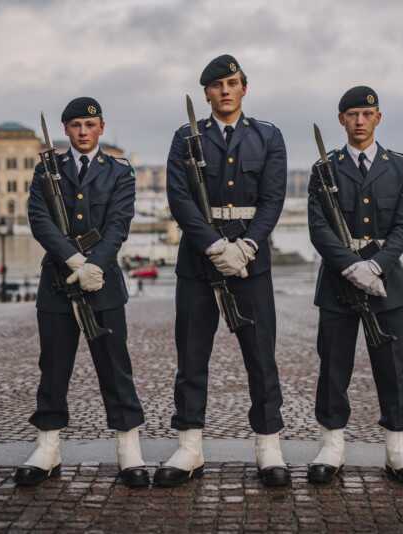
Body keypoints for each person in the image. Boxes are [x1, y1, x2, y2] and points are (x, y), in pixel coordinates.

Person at [154, 55, 289, 487]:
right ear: (206, 93)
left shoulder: (268, 137)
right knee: (192, 357)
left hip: (251, 262)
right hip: (198, 260)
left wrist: (247, 245)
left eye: (232, 83)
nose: (225, 91)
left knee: (261, 357)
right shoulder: (185, 138)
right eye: (216, 85)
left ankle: (269, 448)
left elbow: (273, 199)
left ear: (244, 88)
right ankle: (189, 446)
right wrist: (214, 246)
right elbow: (180, 199)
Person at [14, 97, 149, 488]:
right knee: (53, 368)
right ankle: (47, 447)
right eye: (75, 126)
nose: (83, 132)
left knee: (115, 368)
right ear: (66, 130)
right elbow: (39, 220)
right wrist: (74, 261)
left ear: (101, 128)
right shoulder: (47, 169)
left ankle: (128, 449)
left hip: (103, 284)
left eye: (90, 126)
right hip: (57, 282)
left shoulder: (119, 172)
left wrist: (94, 266)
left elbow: (119, 224)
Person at [306, 86, 403, 486]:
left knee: (391, 368)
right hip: (339, 283)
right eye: (352, 114)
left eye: (366, 114)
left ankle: (398, 449)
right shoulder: (324, 168)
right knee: (334, 367)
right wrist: (351, 267)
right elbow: (319, 229)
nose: (359, 121)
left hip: (385, 282)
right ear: (341, 120)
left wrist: (375, 265)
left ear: (378, 118)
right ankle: (331, 445)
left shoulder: (401, 168)